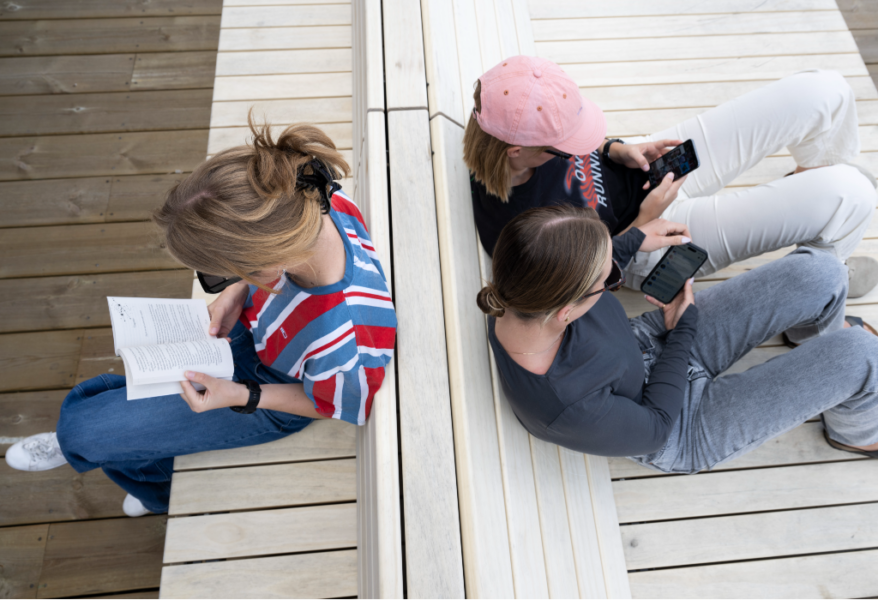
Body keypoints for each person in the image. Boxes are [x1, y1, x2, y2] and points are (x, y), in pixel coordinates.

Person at [5, 121, 397, 516]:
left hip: (271, 391)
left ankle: (145, 483)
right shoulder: (310, 201)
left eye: (221, 274)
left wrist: (243, 396)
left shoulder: (344, 338)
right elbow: (272, 264)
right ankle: (127, 459)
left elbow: (334, 404)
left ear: (266, 261)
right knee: (106, 425)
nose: (221, 280)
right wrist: (235, 291)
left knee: (85, 431)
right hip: (250, 333)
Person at [478, 204, 878, 471]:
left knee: (822, 271)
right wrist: (683, 328)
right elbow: (657, 425)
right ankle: (855, 432)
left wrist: (633, 240)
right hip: (678, 424)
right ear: (567, 312)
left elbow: (567, 263)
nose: (615, 274)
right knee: (863, 355)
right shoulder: (565, 403)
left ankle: (812, 342)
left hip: (646, 345)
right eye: (611, 278)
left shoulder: (524, 291)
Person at [465, 55, 878, 298]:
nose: (576, 145)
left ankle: (815, 187)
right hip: (649, 243)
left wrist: (615, 149)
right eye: (567, 143)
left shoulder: (513, 120)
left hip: (647, 171)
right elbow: (587, 282)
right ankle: (817, 299)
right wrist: (643, 222)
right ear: (518, 151)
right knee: (852, 193)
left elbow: (579, 146)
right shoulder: (518, 228)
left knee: (825, 91)